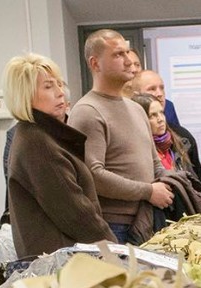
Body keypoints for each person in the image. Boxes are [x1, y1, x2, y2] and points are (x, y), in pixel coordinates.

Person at [3, 53, 113, 259]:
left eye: (59, 84)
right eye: (48, 87)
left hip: (66, 260)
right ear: (24, 95)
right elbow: (76, 214)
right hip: (63, 264)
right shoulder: (37, 142)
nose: (60, 93)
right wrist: (117, 253)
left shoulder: (41, 135)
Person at [67, 29, 173, 244]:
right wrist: (148, 191)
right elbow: (93, 175)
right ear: (95, 64)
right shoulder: (87, 111)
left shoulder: (136, 108)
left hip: (149, 217)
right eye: (118, 55)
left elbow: (154, 162)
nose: (128, 61)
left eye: (127, 53)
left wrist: (171, 183)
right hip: (114, 226)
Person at [129, 69, 201, 182]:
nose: (159, 94)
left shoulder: (182, 137)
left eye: (162, 88)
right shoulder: (130, 142)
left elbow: (199, 183)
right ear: (136, 95)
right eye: (152, 89)